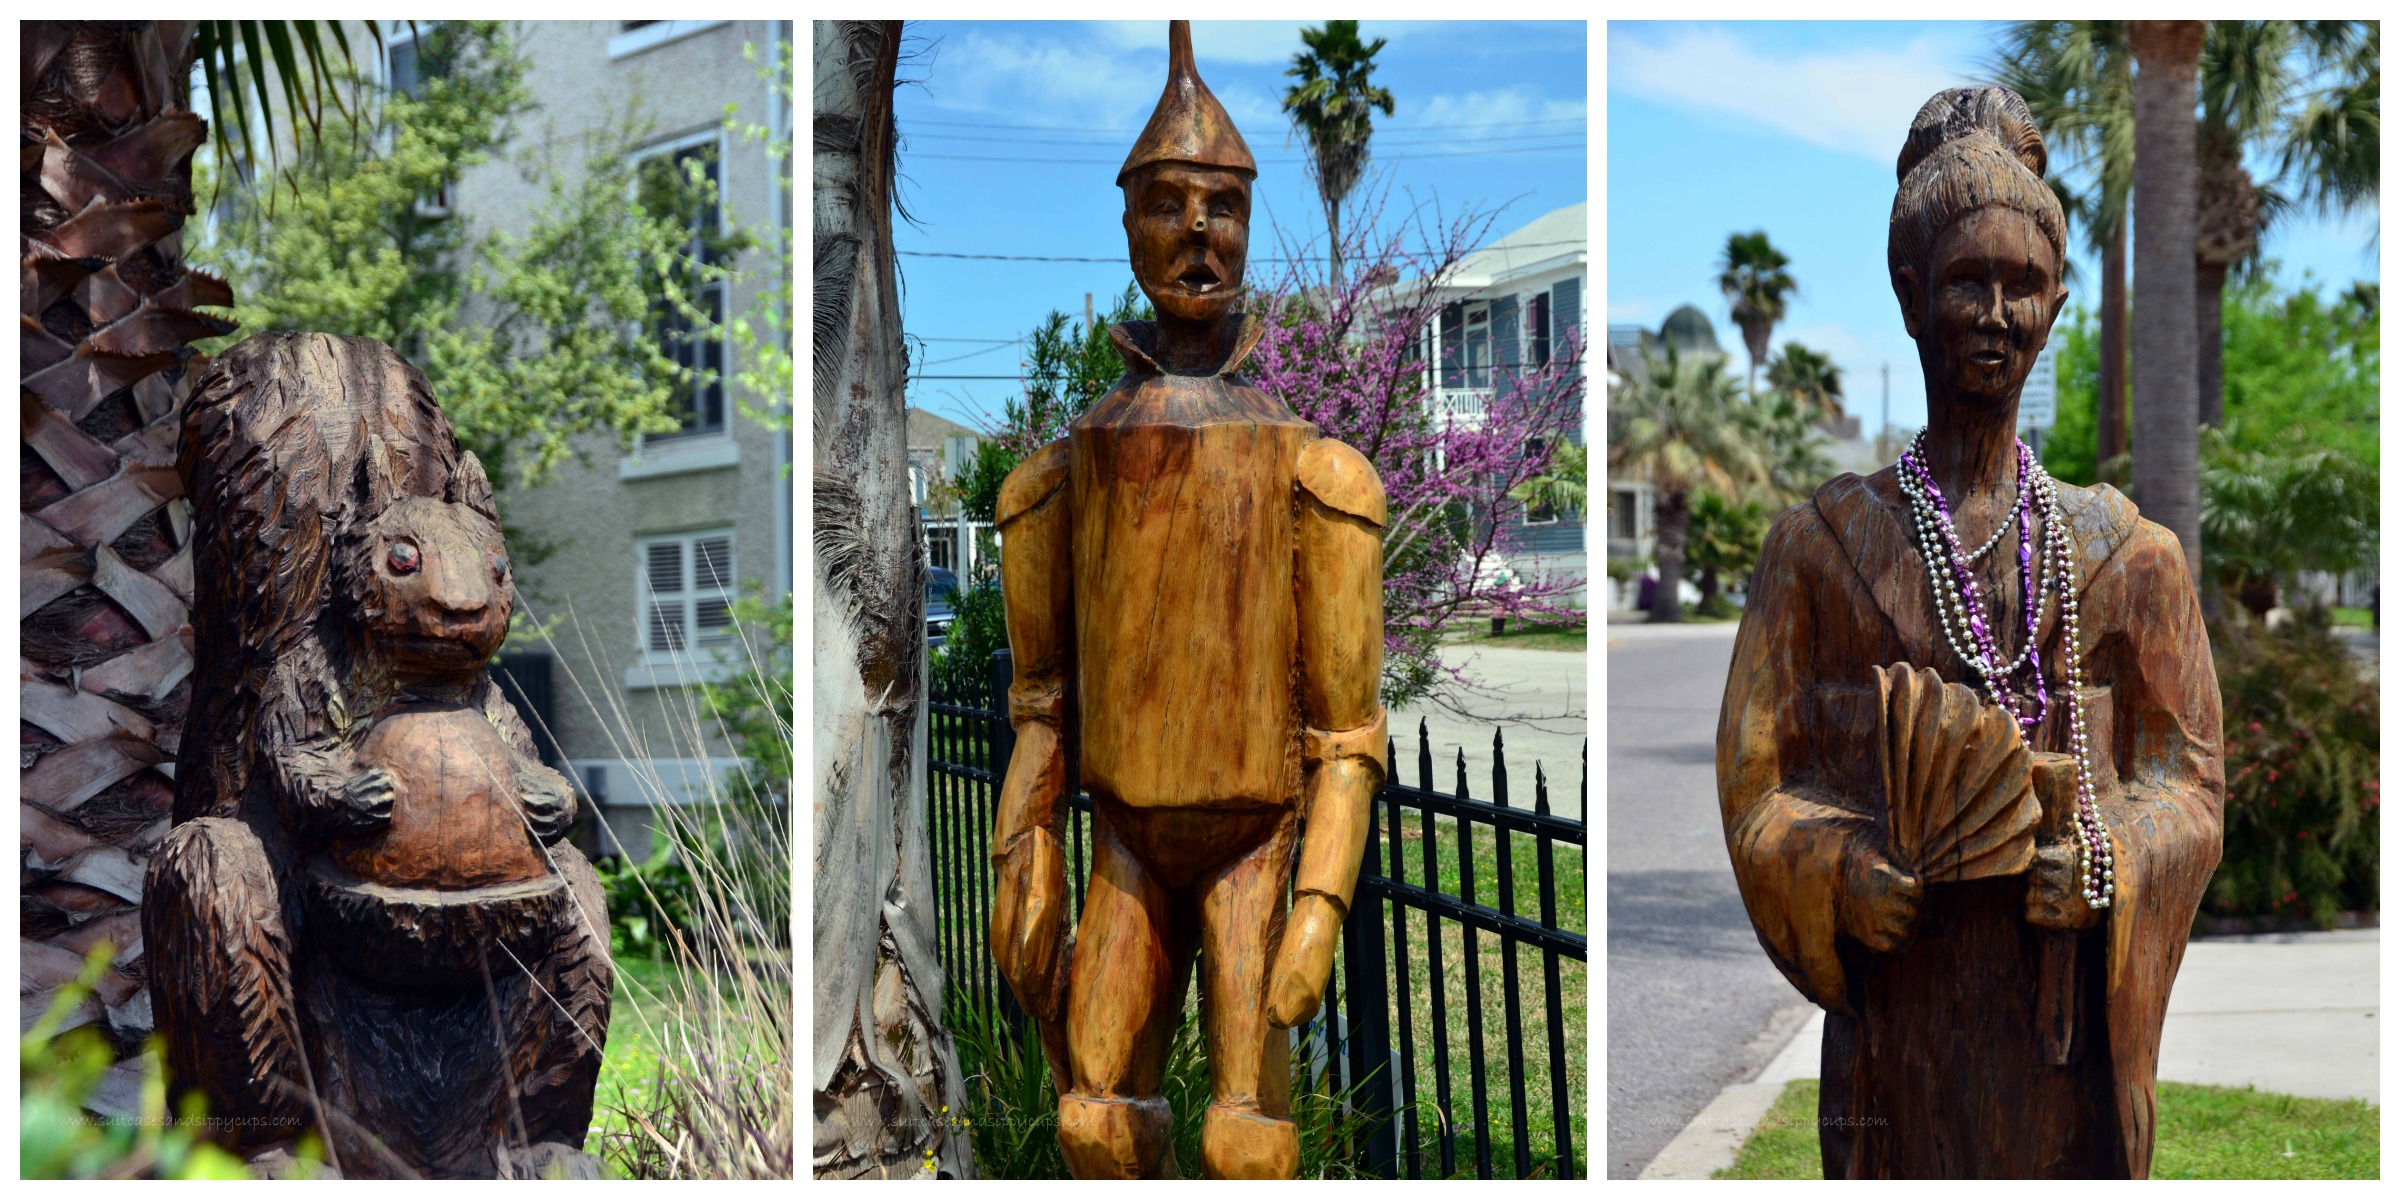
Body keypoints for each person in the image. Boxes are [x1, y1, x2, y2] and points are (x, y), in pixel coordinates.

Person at [1715, 87, 2224, 1179]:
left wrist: (2110, 864)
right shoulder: (1817, 550)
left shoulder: (2132, 558)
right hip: (1895, 1059)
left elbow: (2190, 786)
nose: (1997, 314)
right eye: (1967, 283)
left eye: (2024, 286)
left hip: (2067, 1061)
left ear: (2059, 301)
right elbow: (1758, 788)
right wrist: (1841, 867)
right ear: (1909, 295)